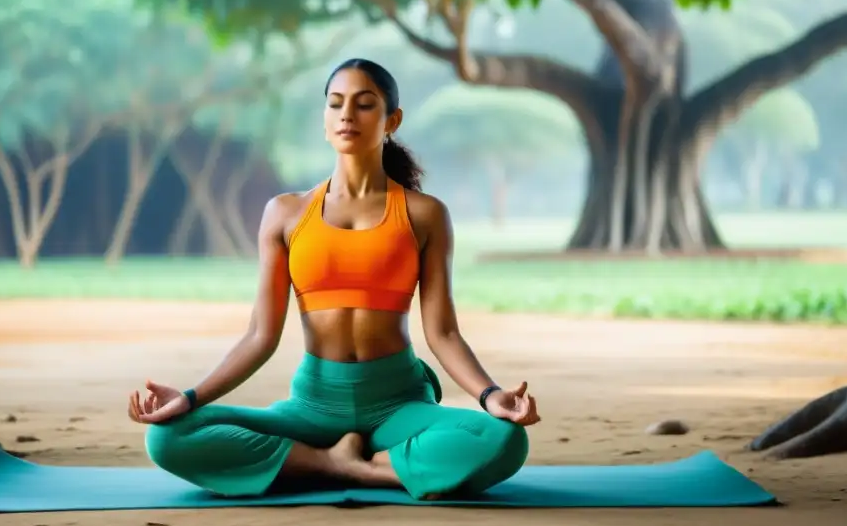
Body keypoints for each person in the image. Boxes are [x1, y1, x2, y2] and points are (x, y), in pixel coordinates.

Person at [126, 58, 540, 501]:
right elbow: (260, 337)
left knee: (504, 440)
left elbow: (443, 332)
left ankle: (351, 468)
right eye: (336, 104)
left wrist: (490, 395)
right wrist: (189, 398)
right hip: (313, 406)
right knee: (168, 438)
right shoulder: (286, 214)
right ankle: (339, 463)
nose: (347, 115)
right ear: (325, 119)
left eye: (364, 105)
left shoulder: (425, 215)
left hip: (398, 404)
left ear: (391, 121)